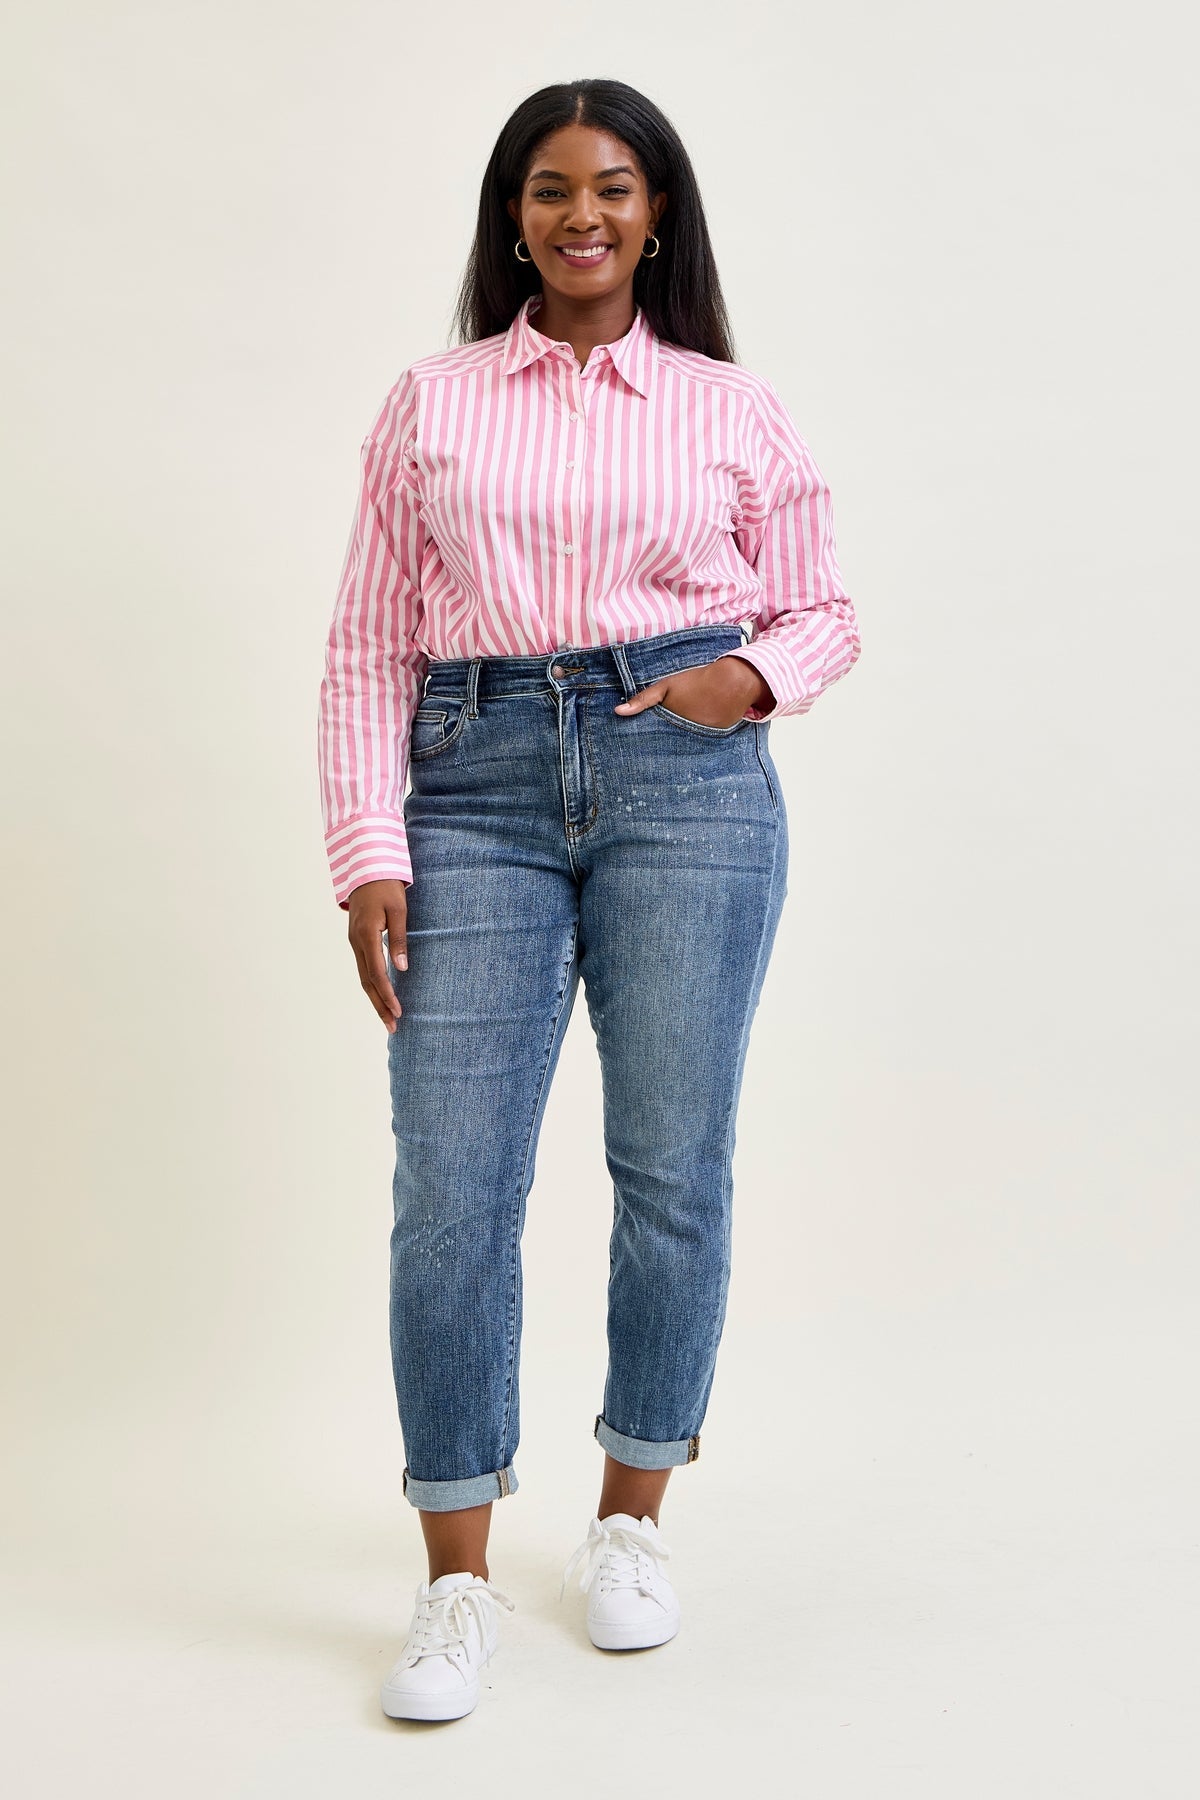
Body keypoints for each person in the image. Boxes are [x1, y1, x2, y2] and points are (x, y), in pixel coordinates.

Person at [316, 77, 862, 1723]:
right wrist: (369, 847)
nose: (583, 216)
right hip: (470, 784)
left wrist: (740, 682)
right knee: (451, 1185)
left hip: (685, 787)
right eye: (551, 189)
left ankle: (631, 1520)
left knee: (672, 1167)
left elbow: (824, 608)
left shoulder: (731, 407)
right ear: (514, 217)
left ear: (656, 213)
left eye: (613, 188)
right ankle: (455, 1577)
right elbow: (368, 641)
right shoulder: (431, 401)